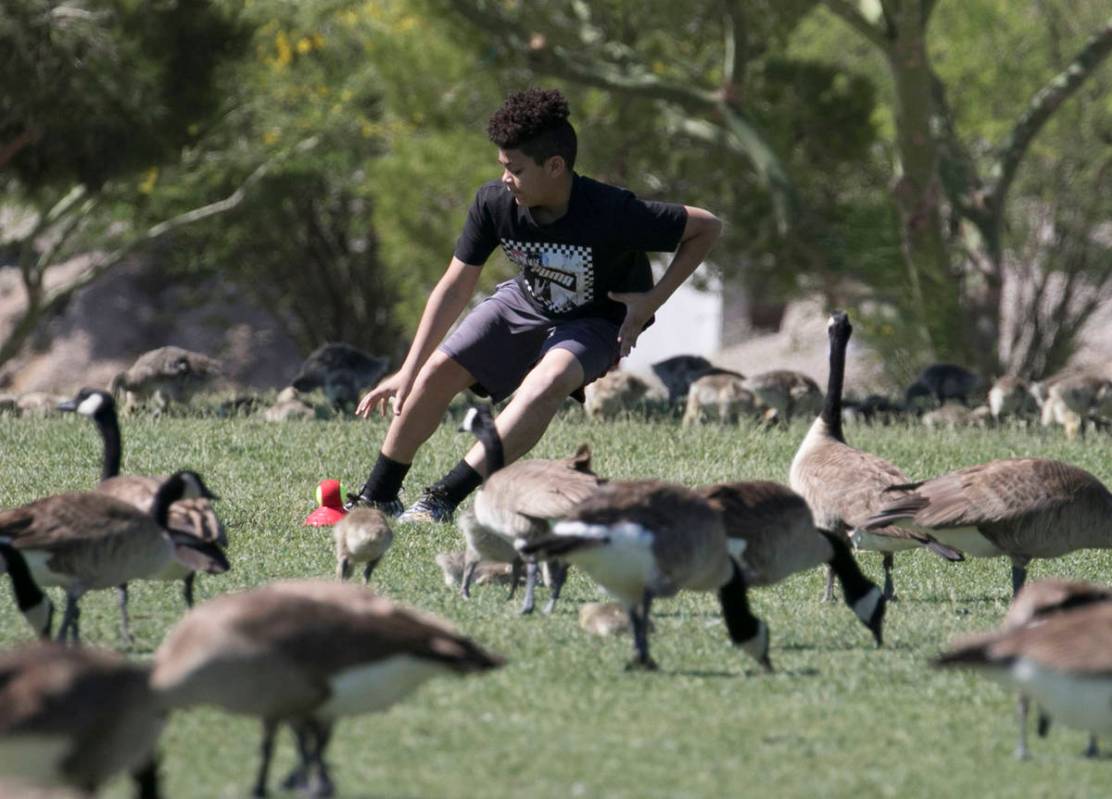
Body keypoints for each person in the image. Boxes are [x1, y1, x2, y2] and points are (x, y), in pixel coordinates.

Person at [348, 87, 722, 522]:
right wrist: (409, 369)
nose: (506, 178)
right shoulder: (495, 204)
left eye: (516, 169)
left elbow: (706, 228)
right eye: (503, 167)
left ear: (555, 166)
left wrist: (652, 301)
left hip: (596, 319)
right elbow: (454, 286)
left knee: (547, 381)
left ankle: (441, 500)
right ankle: (378, 495)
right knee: (435, 372)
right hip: (526, 301)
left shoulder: (613, 210)